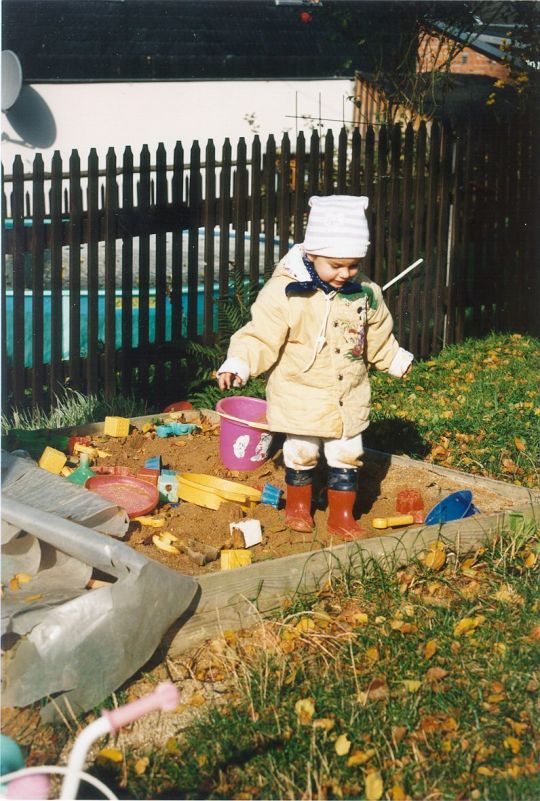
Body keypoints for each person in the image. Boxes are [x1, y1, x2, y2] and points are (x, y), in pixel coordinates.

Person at [216, 195, 413, 540]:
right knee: (301, 450)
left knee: (348, 452)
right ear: (311, 254)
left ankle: (340, 514)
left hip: (346, 394)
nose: (344, 273)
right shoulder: (286, 293)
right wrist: (239, 362)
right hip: (300, 393)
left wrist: (393, 358)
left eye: (352, 265)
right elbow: (260, 334)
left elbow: (377, 332)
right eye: (335, 265)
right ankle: (298, 507)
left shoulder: (365, 292)